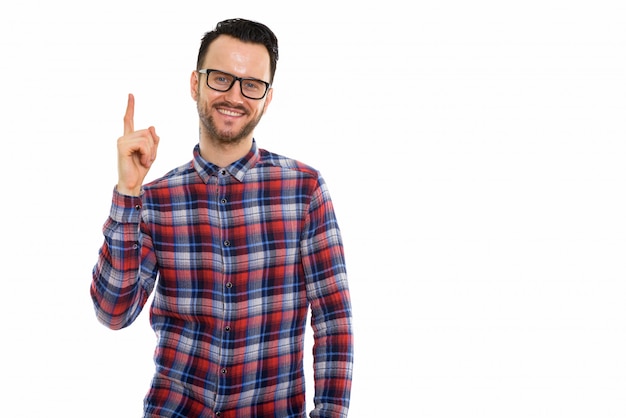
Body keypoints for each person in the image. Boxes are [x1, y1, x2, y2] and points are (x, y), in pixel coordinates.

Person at [90, 18, 353, 418]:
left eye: (251, 84)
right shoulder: (157, 198)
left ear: (267, 97)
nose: (234, 95)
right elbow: (113, 312)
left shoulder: (305, 190)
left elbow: (333, 322)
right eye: (220, 79)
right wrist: (128, 193)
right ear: (195, 83)